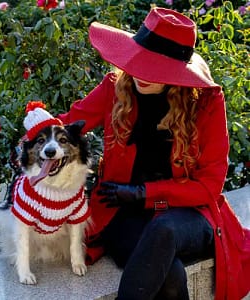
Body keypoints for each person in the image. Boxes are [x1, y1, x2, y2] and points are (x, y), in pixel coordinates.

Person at [58, 7, 250, 300]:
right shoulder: (115, 88)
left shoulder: (206, 103)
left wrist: (142, 192)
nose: (142, 75)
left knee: (163, 230)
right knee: (170, 277)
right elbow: (67, 124)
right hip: (122, 214)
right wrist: (31, 138)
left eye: (155, 68)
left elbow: (209, 185)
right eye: (140, 63)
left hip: (189, 214)